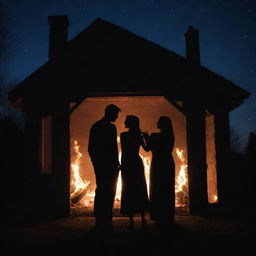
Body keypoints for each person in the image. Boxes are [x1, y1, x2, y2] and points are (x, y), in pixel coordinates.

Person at [88, 104, 121, 233]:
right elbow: (93, 148)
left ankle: (105, 220)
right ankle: (102, 220)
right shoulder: (104, 128)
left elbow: (113, 148)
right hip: (105, 165)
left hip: (109, 165)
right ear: (110, 113)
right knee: (104, 192)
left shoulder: (98, 127)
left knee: (106, 192)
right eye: (115, 114)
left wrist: (116, 162)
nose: (117, 117)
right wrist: (97, 163)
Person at [143, 116, 175, 225]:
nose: (156, 122)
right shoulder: (171, 136)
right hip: (168, 163)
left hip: (157, 163)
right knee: (167, 188)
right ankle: (167, 214)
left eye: (158, 121)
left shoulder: (154, 136)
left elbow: (148, 149)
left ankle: (157, 214)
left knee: (156, 187)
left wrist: (145, 138)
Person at [120, 115, 149, 229]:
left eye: (126, 121)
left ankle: (131, 220)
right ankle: (142, 219)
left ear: (130, 123)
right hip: (136, 162)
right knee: (140, 188)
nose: (124, 122)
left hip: (127, 163)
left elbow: (123, 152)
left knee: (128, 189)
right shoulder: (138, 135)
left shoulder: (123, 135)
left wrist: (122, 165)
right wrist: (146, 137)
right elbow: (147, 149)